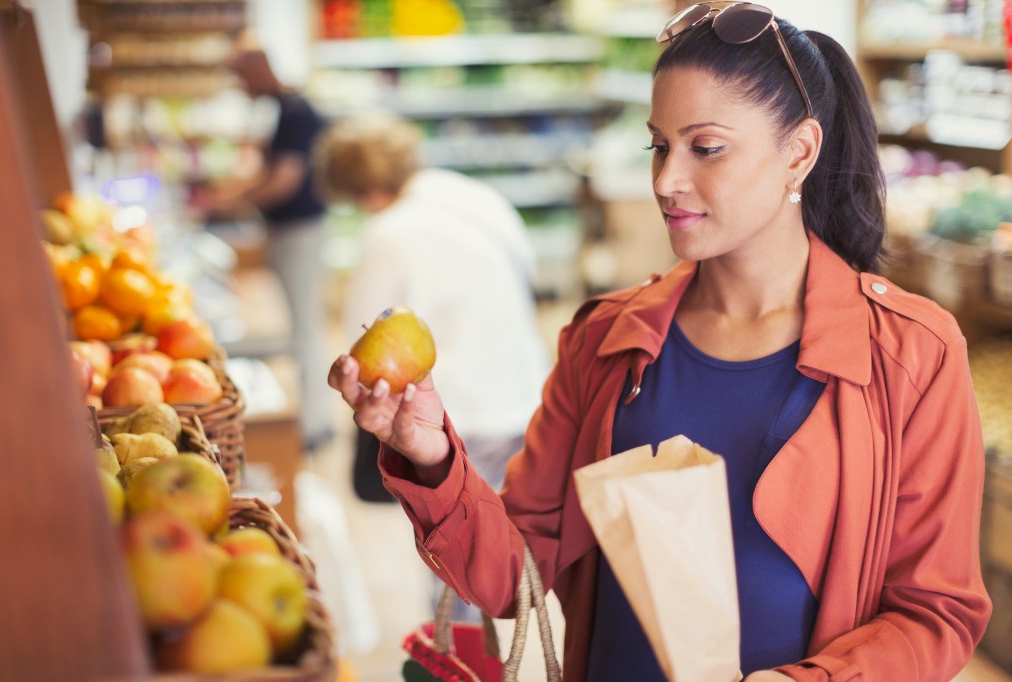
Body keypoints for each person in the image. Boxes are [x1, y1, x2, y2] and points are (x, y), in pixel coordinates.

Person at [327, 3, 993, 680]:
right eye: (659, 145)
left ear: (799, 153)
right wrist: (432, 457)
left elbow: (934, 611)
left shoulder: (911, 355)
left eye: (705, 147)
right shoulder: (607, 341)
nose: (667, 180)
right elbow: (512, 578)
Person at [313, 113, 552, 618]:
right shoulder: (473, 197)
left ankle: (460, 662)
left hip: (459, 410)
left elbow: (363, 346)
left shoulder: (388, 233)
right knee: (511, 549)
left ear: (366, 188)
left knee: (458, 554)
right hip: (526, 392)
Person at [200, 39, 334, 452]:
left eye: (242, 76)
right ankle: (310, 421)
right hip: (289, 230)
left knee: (303, 327)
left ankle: (314, 426)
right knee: (297, 325)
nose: (241, 86)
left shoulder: (296, 113)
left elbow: (283, 182)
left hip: (301, 231)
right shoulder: (282, 110)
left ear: (259, 69)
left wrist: (231, 202)